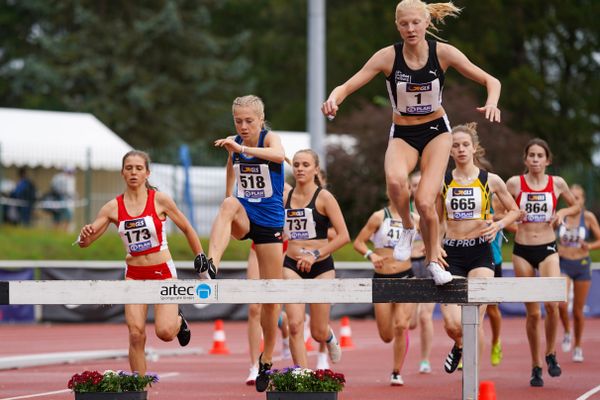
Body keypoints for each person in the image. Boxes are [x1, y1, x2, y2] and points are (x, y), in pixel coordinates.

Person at [322, 0, 501, 286]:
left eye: (415, 22)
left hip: (436, 132)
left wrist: (492, 103)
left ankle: (433, 261)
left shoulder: (442, 53)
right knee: (395, 182)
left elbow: (491, 81)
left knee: (425, 201)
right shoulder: (387, 57)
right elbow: (347, 85)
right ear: (397, 26)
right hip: (404, 133)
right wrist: (334, 99)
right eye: (404, 24)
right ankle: (407, 226)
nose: (410, 29)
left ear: (426, 22)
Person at [77, 150, 201, 375]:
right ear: (122, 173)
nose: (133, 172)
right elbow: (88, 240)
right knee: (135, 334)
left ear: (147, 173)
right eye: (129, 168)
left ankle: (178, 321)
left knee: (164, 332)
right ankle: (139, 387)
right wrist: (85, 236)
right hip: (134, 275)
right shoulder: (112, 207)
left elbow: (187, 228)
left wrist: (201, 257)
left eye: (138, 168)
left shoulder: (160, 200)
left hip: (163, 273)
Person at [207, 95, 285, 393]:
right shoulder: (234, 143)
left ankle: (266, 359)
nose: (243, 126)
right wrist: (231, 193)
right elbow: (231, 165)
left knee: (270, 296)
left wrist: (241, 147)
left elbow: (278, 156)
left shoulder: (269, 138)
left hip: (270, 223)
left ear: (260, 120)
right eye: (238, 121)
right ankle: (211, 264)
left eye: (249, 121)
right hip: (246, 214)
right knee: (228, 205)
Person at [438, 122, 520, 375]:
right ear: (449, 151)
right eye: (455, 146)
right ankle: (460, 345)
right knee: (452, 323)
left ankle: (472, 377)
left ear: (474, 148)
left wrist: (499, 225)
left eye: (465, 145)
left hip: (481, 254)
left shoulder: (491, 180)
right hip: (451, 252)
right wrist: (433, 248)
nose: (461, 149)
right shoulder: (442, 180)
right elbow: (437, 219)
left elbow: (516, 210)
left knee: (473, 319)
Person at [506, 138, 580, 387]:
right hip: (522, 250)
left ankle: (551, 353)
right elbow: (495, 210)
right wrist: (514, 216)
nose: (536, 160)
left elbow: (576, 205)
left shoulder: (557, 183)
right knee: (533, 313)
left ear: (548, 160)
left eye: (540, 156)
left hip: (548, 247)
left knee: (553, 304)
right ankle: (535, 366)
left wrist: (562, 213)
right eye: (532, 155)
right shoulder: (515, 183)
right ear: (525, 159)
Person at [283, 149, 350, 370]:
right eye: (296, 164)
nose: (300, 168)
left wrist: (314, 255)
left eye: (305, 164)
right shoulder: (286, 196)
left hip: (320, 266)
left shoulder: (324, 197)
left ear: (315, 169)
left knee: (317, 332)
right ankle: (302, 374)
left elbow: (344, 236)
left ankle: (329, 337)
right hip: (292, 265)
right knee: (294, 325)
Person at [354, 196, 416, 386]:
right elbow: (358, 242)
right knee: (387, 335)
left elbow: (435, 236)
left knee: (401, 325)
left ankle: (396, 371)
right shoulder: (379, 217)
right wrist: (370, 254)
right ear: (390, 193)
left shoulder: (416, 219)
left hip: (406, 277)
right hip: (382, 279)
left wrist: (430, 249)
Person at [557, 184, 600, 363]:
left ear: (583, 200)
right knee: (560, 303)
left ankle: (578, 346)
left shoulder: (588, 217)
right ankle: (567, 332)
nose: (575, 200)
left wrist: (588, 246)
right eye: (572, 197)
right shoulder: (561, 215)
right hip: (562, 264)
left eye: (578, 197)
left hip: (582, 265)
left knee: (577, 311)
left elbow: (599, 239)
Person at [245, 242, 291, 386]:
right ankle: (254, 366)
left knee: (273, 306)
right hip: (259, 242)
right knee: (254, 307)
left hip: (286, 247)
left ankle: (284, 325)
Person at [406, 171, 434, 374]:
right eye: (413, 185)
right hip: (409, 267)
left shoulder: (432, 209)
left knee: (425, 317)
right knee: (412, 322)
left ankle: (425, 360)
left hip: (428, 267)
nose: (417, 188)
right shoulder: (401, 212)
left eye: (420, 184)